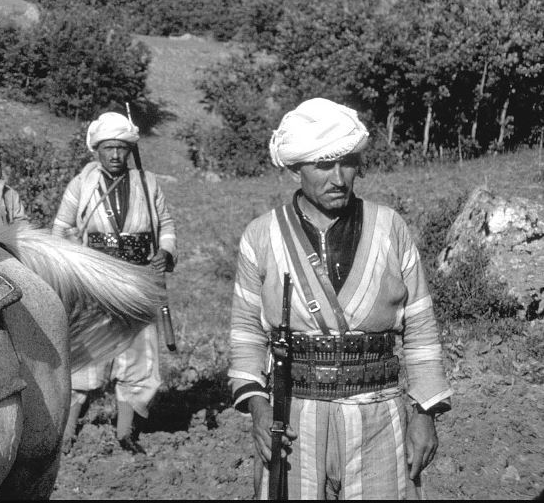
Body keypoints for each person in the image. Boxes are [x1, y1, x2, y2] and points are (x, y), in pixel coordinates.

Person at [229, 97, 449, 499]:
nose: (339, 178)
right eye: (323, 165)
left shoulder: (389, 227)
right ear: (296, 167)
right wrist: (259, 409)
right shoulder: (262, 236)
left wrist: (424, 413)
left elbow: (420, 325)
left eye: (347, 162)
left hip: (378, 415)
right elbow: (246, 331)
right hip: (294, 420)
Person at [52, 111, 176, 454]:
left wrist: (164, 252)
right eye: (108, 148)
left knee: (137, 354)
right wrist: (74, 262)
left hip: (137, 277)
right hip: (96, 280)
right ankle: (67, 432)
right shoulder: (82, 184)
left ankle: (124, 432)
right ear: (97, 150)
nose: (116, 155)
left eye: (122, 147)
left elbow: (165, 224)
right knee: (87, 352)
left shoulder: (148, 183)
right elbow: (60, 228)